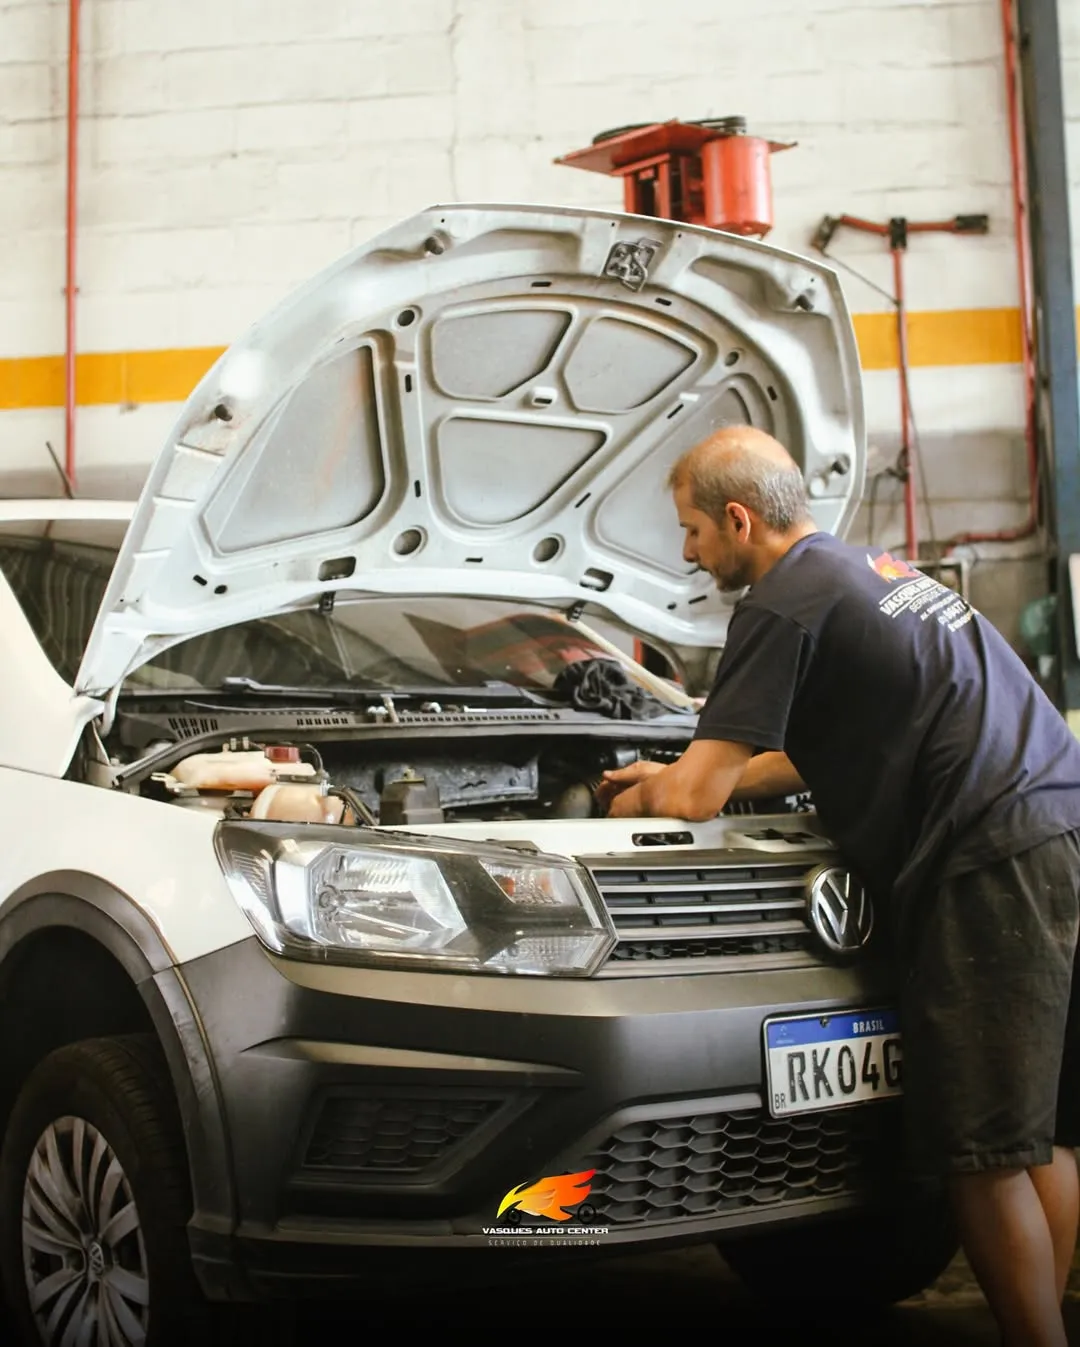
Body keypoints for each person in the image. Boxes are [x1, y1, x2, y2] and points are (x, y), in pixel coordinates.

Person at [600, 424, 1080, 1347]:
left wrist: (627, 795)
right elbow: (802, 753)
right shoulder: (873, 571)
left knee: (980, 1157)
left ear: (739, 520)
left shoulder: (781, 604)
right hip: (1053, 828)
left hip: (984, 858)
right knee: (1041, 1131)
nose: (688, 551)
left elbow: (696, 793)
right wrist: (706, 770)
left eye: (693, 530)